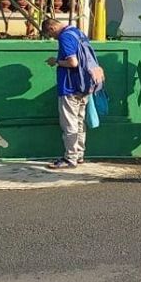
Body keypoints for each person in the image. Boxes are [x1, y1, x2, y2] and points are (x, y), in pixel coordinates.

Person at [43, 18, 96, 170]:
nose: (53, 38)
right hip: (84, 85)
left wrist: (56, 61)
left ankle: (70, 158)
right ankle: (79, 154)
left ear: (52, 28)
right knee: (79, 122)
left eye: (50, 35)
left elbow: (73, 62)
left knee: (69, 124)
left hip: (70, 87)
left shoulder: (65, 37)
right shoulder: (78, 32)